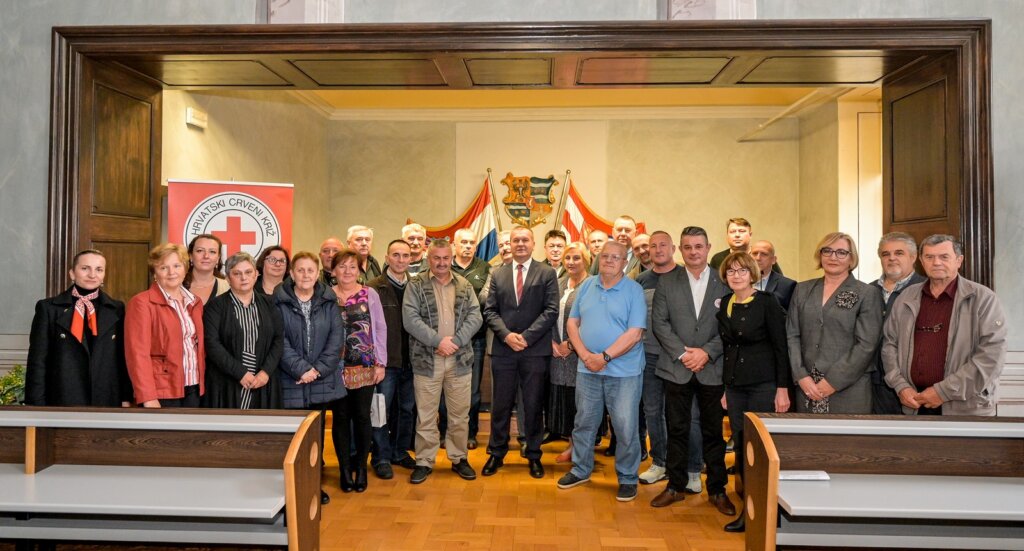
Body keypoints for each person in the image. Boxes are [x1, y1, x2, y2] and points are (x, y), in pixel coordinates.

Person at [650, 226, 734, 516]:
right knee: (676, 428)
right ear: (681, 250)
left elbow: (730, 325)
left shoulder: (725, 282)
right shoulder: (667, 282)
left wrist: (707, 352)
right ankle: (674, 485)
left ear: (709, 248)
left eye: (699, 246)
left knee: (713, 432)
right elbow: (660, 323)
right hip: (677, 367)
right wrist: (685, 353)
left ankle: (718, 489)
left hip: (712, 368)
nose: (694, 252)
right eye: (688, 247)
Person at [556, 241, 646, 502]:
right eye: (604, 256)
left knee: (625, 427)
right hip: (587, 369)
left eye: (615, 257)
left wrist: (605, 357)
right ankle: (581, 469)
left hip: (624, 373)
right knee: (584, 422)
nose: (609, 260)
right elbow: (572, 323)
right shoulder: (587, 285)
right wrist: (586, 356)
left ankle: (628, 478)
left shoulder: (634, 290)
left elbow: (635, 333)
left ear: (624, 263)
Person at [882, 234, 1006, 416]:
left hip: (965, 407)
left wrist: (942, 392)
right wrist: (901, 386)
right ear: (921, 262)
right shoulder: (907, 297)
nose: (936, 262)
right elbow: (889, 345)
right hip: (914, 404)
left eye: (944, 257)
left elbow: (991, 356)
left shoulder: (983, 299)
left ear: (959, 260)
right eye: (929, 257)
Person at [716, 252, 791, 533]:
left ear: (753, 274)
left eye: (742, 271)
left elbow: (780, 346)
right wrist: (726, 386)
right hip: (735, 387)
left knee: (761, 450)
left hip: (763, 385)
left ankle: (769, 512)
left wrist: (782, 388)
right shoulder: (726, 303)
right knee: (741, 447)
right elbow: (727, 349)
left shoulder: (767, 303)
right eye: (731, 271)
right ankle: (748, 511)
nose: (736, 276)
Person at [482, 226, 559, 479]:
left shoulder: (547, 273)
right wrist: (506, 335)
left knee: (534, 405)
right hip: (503, 350)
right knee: (501, 405)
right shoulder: (497, 273)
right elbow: (490, 310)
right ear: (510, 244)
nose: (520, 244)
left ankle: (534, 454)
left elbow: (551, 310)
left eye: (525, 240)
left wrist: (525, 338)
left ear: (533, 243)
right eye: (516, 240)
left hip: (534, 351)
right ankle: (496, 453)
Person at [403, 239, 483, 484]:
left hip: (459, 360)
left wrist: (455, 341)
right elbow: (410, 319)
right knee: (426, 415)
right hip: (427, 360)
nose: (441, 263)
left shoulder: (464, 284)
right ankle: (424, 461)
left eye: (445, 258)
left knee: (460, 414)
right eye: (436, 258)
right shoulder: (415, 285)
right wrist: (439, 341)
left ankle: (459, 458)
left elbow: (475, 316)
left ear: (451, 258)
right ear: (429, 259)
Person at [275, 251, 346, 505]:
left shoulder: (329, 302)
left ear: (318, 274)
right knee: (292, 440)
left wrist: (316, 370)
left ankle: (313, 486)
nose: (305, 275)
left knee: (315, 440)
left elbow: (336, 340)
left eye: (310, 270)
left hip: (321, 382)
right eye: (300, 270)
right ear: (292, 274)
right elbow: (278, 341)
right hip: (290, 381)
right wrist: (301, 369)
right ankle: (291, 489)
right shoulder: (277, 302)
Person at [787, 232, 882, 414]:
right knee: (808, 441)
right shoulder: (802, 289)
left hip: (849, 388)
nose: (833, 257)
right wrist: (801, 376)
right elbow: (792, 335)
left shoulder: (867, 293)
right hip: (807, 387)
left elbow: (866, 345)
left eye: (841, 252)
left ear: (851, 258)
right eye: (827, 251)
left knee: (846, 442)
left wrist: (832, 382)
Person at [26, 249, 131, 407]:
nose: (92, 274)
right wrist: (36, 405)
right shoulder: (48, 309)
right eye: (85, 268)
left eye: (99, 269)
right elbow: (38, 361)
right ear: (72, 273)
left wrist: (126, 397)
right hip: (62, 398)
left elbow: (123, 358)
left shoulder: (117, 309)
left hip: (106, 399)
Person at [636, 232, 697, 487]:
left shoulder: (686, 276)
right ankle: (660, 462)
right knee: (653, 412)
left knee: (686, 414)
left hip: (680, 357)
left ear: (673, 248)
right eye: (653, 245)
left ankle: (691, 467)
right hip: (649, 356)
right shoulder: (641, 280)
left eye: (663, 245)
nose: (658, 249)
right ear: (647, 251)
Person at [331, 248, 387, 493]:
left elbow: (380, 328)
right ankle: (344, 469)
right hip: (333, 369)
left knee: (363, 417)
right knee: (340, 418)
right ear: (333, 271)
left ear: (359, 269)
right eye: (342, 266)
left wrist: (380, 363)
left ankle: (361, 468)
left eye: (352, 266)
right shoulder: (324, 295)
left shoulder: (369, 294)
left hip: (365, 366)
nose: (347, 271)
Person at [125, 243, 206, 408]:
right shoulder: (141, 303)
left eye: (177, 266)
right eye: (163, 268)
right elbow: (137, 354)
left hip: (193, 387)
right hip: (161, 390)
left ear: (185, 269)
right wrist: (147, 396)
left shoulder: (195, 302)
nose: (172, 273)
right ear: (155, 273)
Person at [202, 252, 283, 410]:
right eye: (237, 273)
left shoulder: (270, 305)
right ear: (228, 278)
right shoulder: (215, 307)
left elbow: (278, 340)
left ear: (256, 275)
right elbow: (212, 344)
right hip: (227, 382)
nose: (243, 278)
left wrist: (265, 372)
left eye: (248, 272)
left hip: (263, 381)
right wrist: (240, 373)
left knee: (262, 433)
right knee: (229, 432)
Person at [367, 239, 419, 479]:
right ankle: (381, 457)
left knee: (406, 410)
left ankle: (400, 452)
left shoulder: (417, 286)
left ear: (411, 259)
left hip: (412, 360)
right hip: (385, 363)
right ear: (387, 258)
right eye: (395, 255)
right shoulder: (374, 287)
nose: (401, 260)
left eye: (405, 256)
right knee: (381, 410)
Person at [869, 232, 926, 414]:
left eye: (899, 253)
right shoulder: (867, 290)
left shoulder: (926, 290)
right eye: (886, 254)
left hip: (911, 384)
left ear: (913, 257)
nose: (892, 258)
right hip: (872, 381)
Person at [548, 242, 591, 463]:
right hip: (557, 354)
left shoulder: (592, 285)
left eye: (576, 258)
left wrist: (571, 345)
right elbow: (547, 314)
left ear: (586, 260)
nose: (571, 262)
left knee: (582, 403)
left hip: (580, 354)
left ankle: (581, 449)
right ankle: (572, 445)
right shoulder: (559, 283)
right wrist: (553, 344)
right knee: (566, 401)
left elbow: (593, 320)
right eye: (568, 258)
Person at [450, 228, 491, 449]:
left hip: (475, 338)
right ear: (454, 245)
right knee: (448, 388)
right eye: (463, 242)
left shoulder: (484, 268)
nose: (467, 246)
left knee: (472, 391)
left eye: (471, 243)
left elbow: (484, 301)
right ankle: (446, 431)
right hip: (447, 339)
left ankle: (470, 433)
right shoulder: (445, 265)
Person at [709, 218, 782, 274]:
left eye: (741, 231)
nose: (737, 235)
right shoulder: (717, 259)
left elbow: (778, 283)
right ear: (727, 235)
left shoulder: (763, 257)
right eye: (733, 232)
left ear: (750, 235)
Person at [750, 240, 796, 310]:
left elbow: (791, 316)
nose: (758, 258)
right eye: (755, 253)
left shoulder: (787, 285)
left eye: (764, 254)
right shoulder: (738, 281)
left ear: (773, 260)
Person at [184, 234, 228, 304]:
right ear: (190, 256)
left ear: (218, 258)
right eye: (200, 251)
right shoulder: (177, 286)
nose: (206, 256)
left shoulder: (228, 288)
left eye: (212, 252)